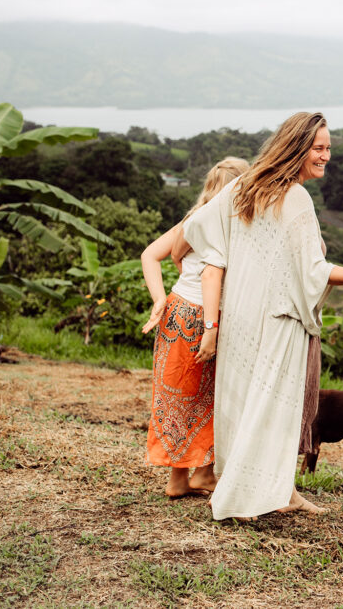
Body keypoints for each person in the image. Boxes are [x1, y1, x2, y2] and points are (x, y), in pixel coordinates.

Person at [184, 112, 343, 520]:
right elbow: (315, 272)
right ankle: (266, 493)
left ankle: (265, 490)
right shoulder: (297, 198)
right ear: (296, 148)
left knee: (241, 403)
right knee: (277, 409)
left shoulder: (243, 186)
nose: (326, 156)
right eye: (319, 148)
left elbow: (198, 226)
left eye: (328, 149)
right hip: (278, 321)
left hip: (239, 317)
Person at [140, 156, 250, 498]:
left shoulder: (194, 221)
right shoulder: (237, 227)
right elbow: (212, 275)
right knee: (216, 396)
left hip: (177, 312)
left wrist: (160, 299)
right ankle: (202, 474)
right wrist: (211, 326)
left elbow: (151, 255)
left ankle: (178, 480)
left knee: (179, 397)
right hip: (210, 318)